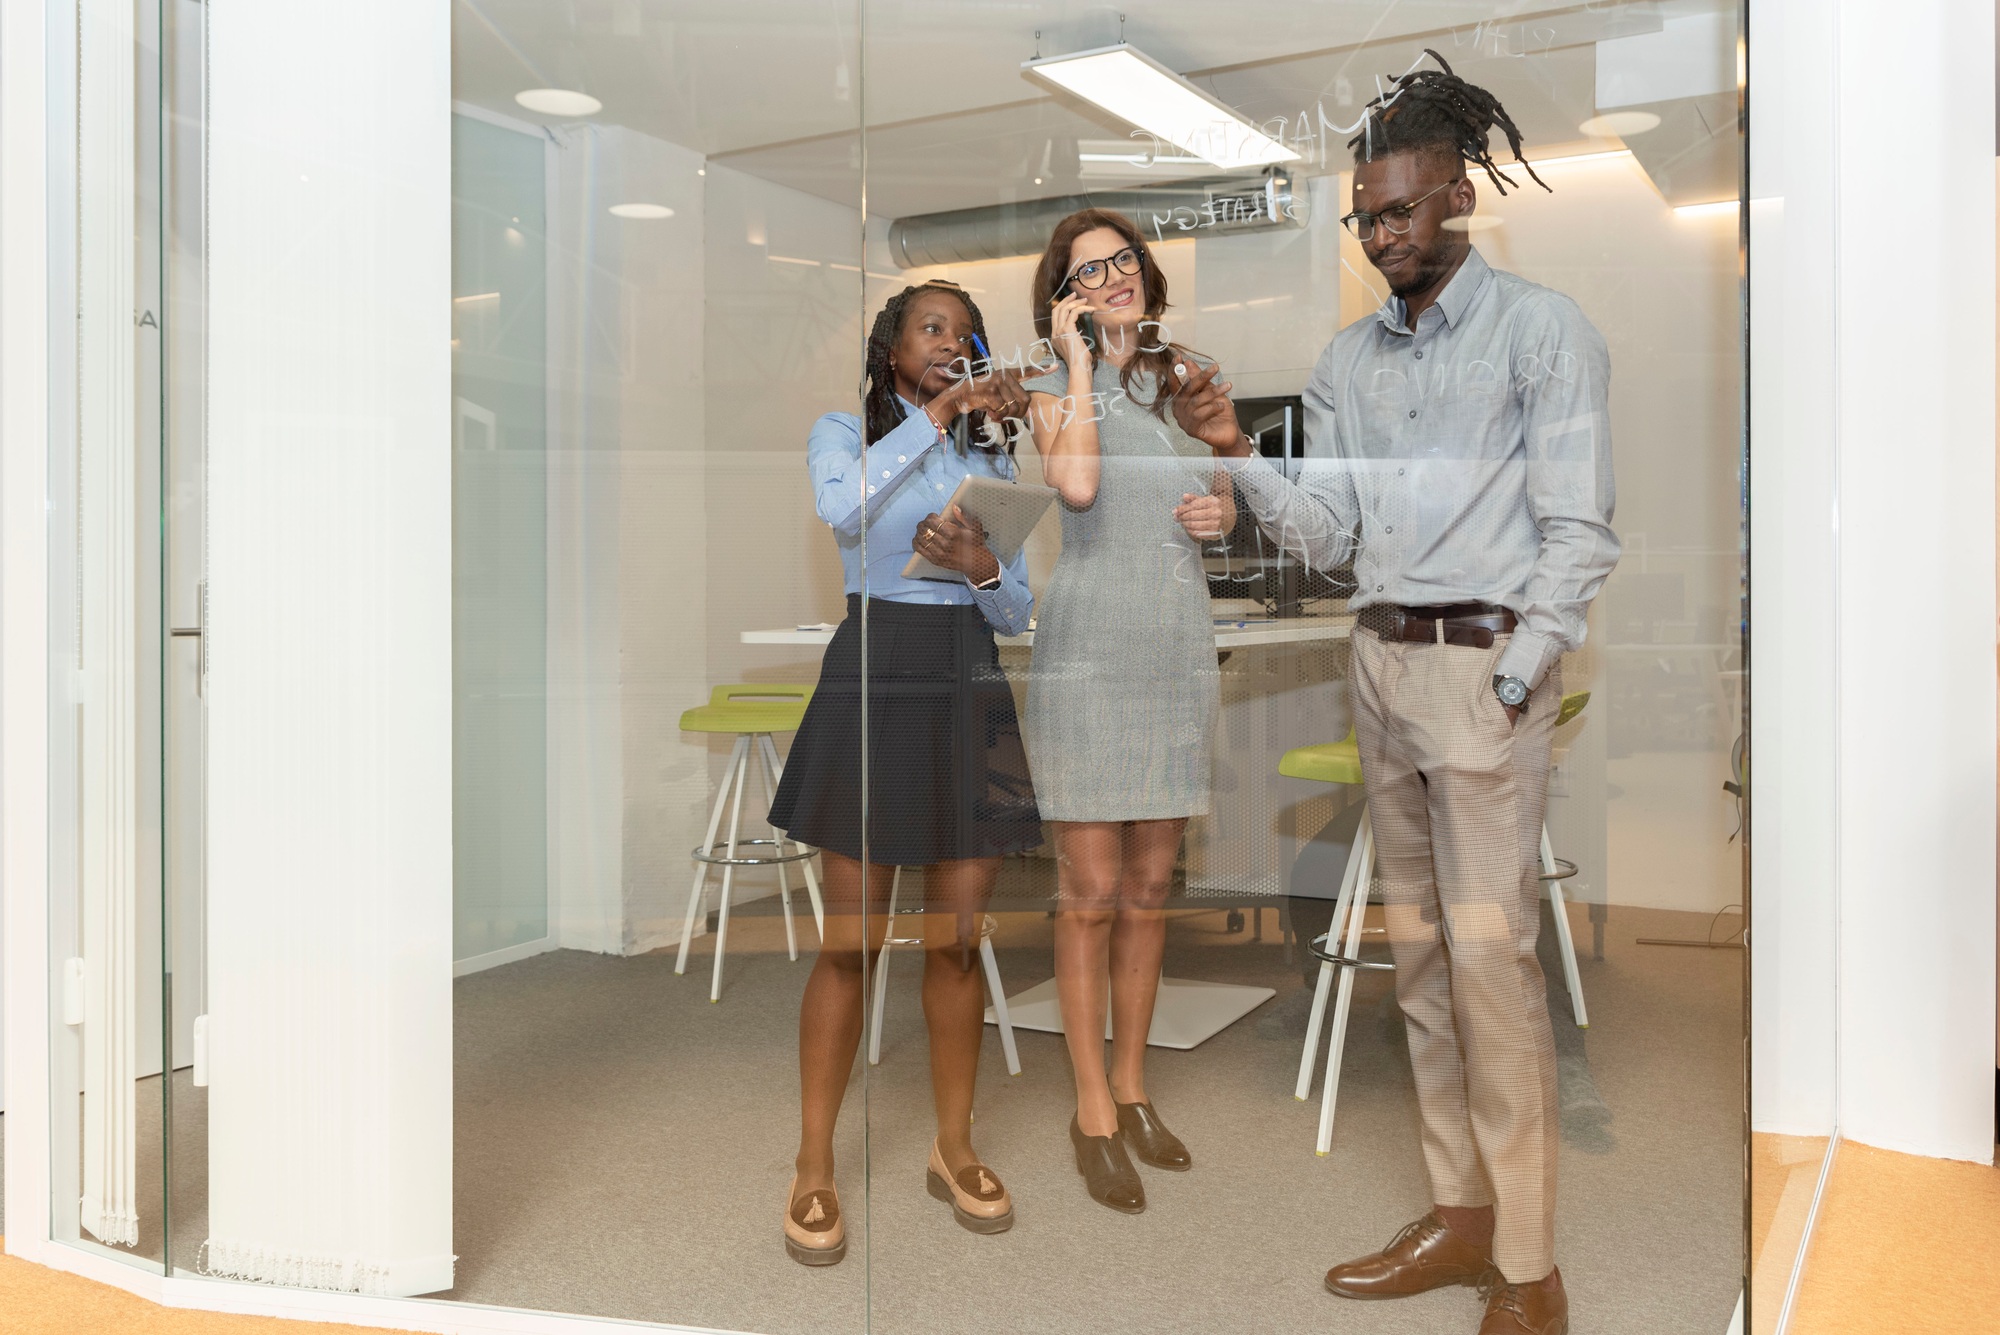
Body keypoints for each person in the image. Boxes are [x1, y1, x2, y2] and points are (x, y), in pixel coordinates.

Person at [1170, 52, 1618, 1335]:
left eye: (1401, 210)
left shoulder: (1544, 331)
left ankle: (1527, 1271)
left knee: (1491, 968)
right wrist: (1226, 451)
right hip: (1376, 665)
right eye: (1363, 215)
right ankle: (1456, 1213)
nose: (1379, 236)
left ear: (1458, 198)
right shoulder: (1345, 361)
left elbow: (1578, 530)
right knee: (1417, 964)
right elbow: (1323, 537)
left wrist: (1518, 676)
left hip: (1484, 671)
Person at [767, 281, 1042, 1266]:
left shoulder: (987, 458)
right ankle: (811, 1164)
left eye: (963, 335)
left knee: (958, 942)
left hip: (966, 678)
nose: (950, 344)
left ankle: (952, 1147)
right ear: (891, 349)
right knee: (850, 946)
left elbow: (1016, 616)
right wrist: (936, 417)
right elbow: (840, 511)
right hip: (875, 674)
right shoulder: (844, 430)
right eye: (932, 329)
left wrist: (979, 564)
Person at [1019, 208, 1235, 1215]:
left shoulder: (1176, 379)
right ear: (1062, 297)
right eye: (1084, 273)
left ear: (1145, 273)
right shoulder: (1047, 388)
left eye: (1118, 264)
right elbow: (1074, 484)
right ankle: (1091, 1105)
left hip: (1172, 637)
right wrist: (1075, 365)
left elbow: (1217, 493)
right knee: (1090, 890)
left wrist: (1219, 508)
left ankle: (1137, 1085)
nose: (1109, 281)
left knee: (1151, 884)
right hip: (1091, 644)